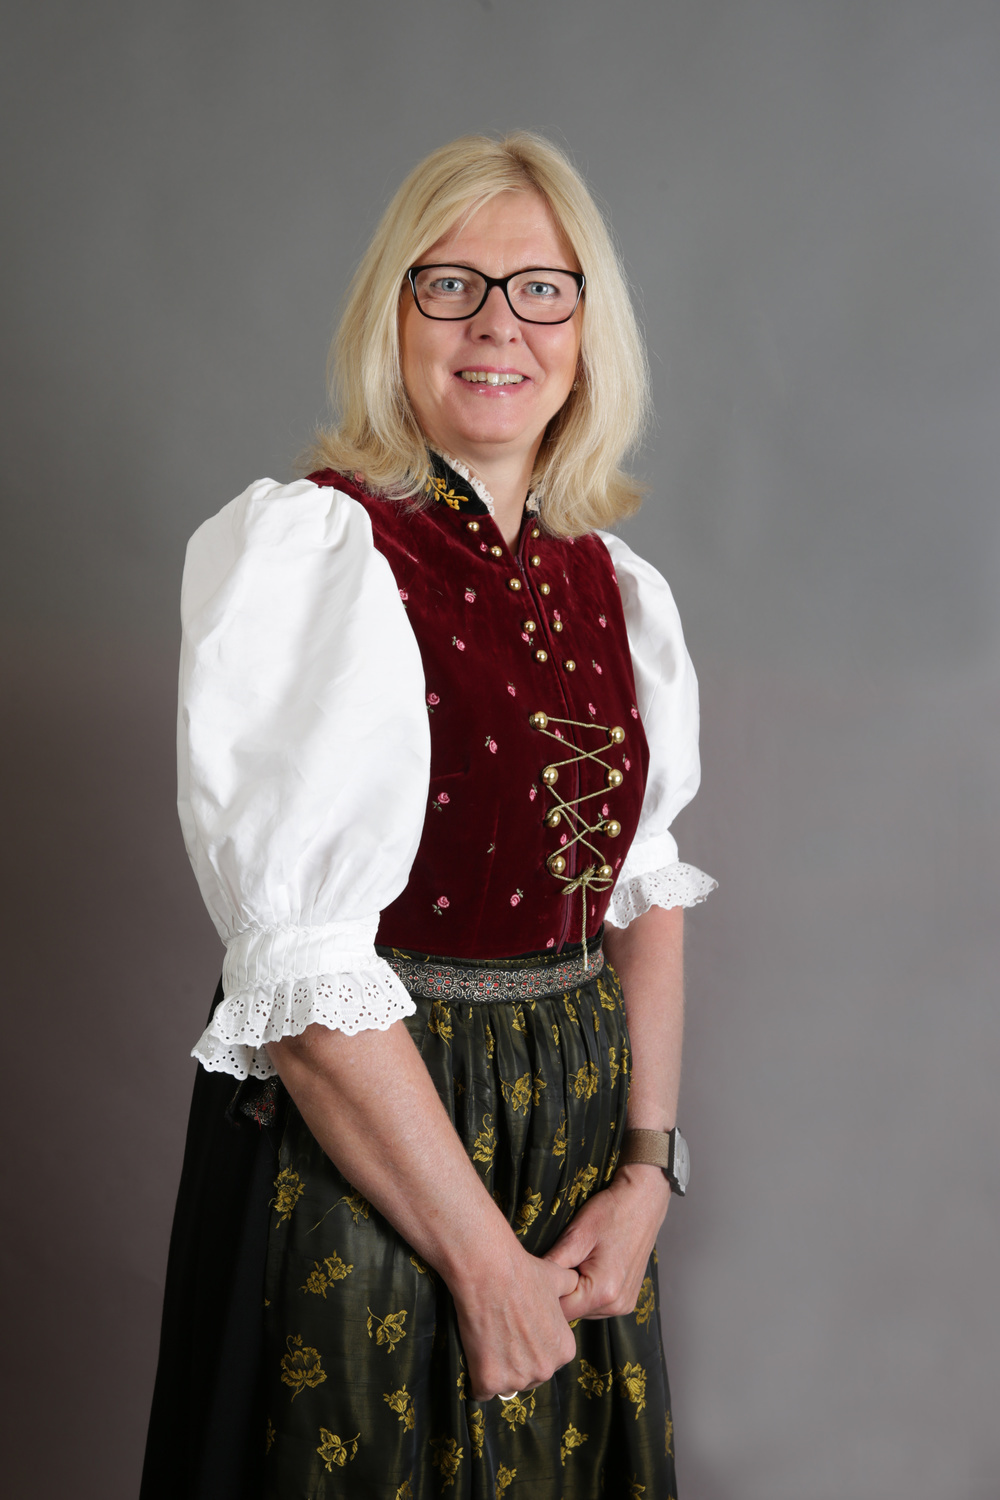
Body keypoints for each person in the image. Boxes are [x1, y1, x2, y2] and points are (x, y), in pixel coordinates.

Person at [142, 132, 715, 1500]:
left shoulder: (615, 584)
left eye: (541, 290)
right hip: (380, 1141)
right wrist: (477, 1258)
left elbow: (641, 892)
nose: (497, 326)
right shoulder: (318, 553)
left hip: (574, 1148)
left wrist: (646, 1170)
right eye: (449, 285)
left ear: (590, 328)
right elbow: (299, 980)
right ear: (390, 319)